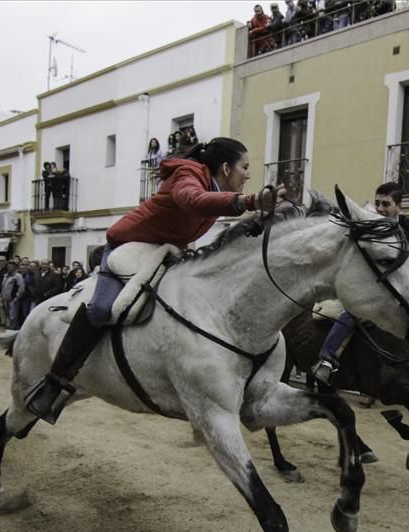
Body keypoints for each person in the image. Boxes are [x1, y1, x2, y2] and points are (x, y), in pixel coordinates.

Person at [26, 137, 285, 424]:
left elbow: (211, 210)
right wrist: (249, 201)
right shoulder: (187, 174)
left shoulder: (215, 190)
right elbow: (194, 201)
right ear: (226, 168)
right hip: (127, 247)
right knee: (100, 309)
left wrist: (257, 218)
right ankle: (54, 383)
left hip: (163, 253)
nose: (248, 174)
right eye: (244, 167)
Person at [310, 182, 409, 384]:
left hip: (400, 290)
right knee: (351, 313)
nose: (381, 209)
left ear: (399, 207)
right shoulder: (370, 224)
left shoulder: (407, 226)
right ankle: (326, 359)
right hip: (372, 287)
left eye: (386, 204)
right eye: (378, 204)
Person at [0, 262, 26, 330]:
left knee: (13, 315)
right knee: (8, 314)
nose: (10, 268)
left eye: (12, 267)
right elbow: (3, 286)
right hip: (6, 298)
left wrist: (17, 297)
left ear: (15, 268)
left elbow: (21, 288)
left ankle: (13, 328)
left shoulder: (18, 276)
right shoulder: (6, 275)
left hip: (13, 298)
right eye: (9, 267)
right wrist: (2, 296)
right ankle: (11, 326)